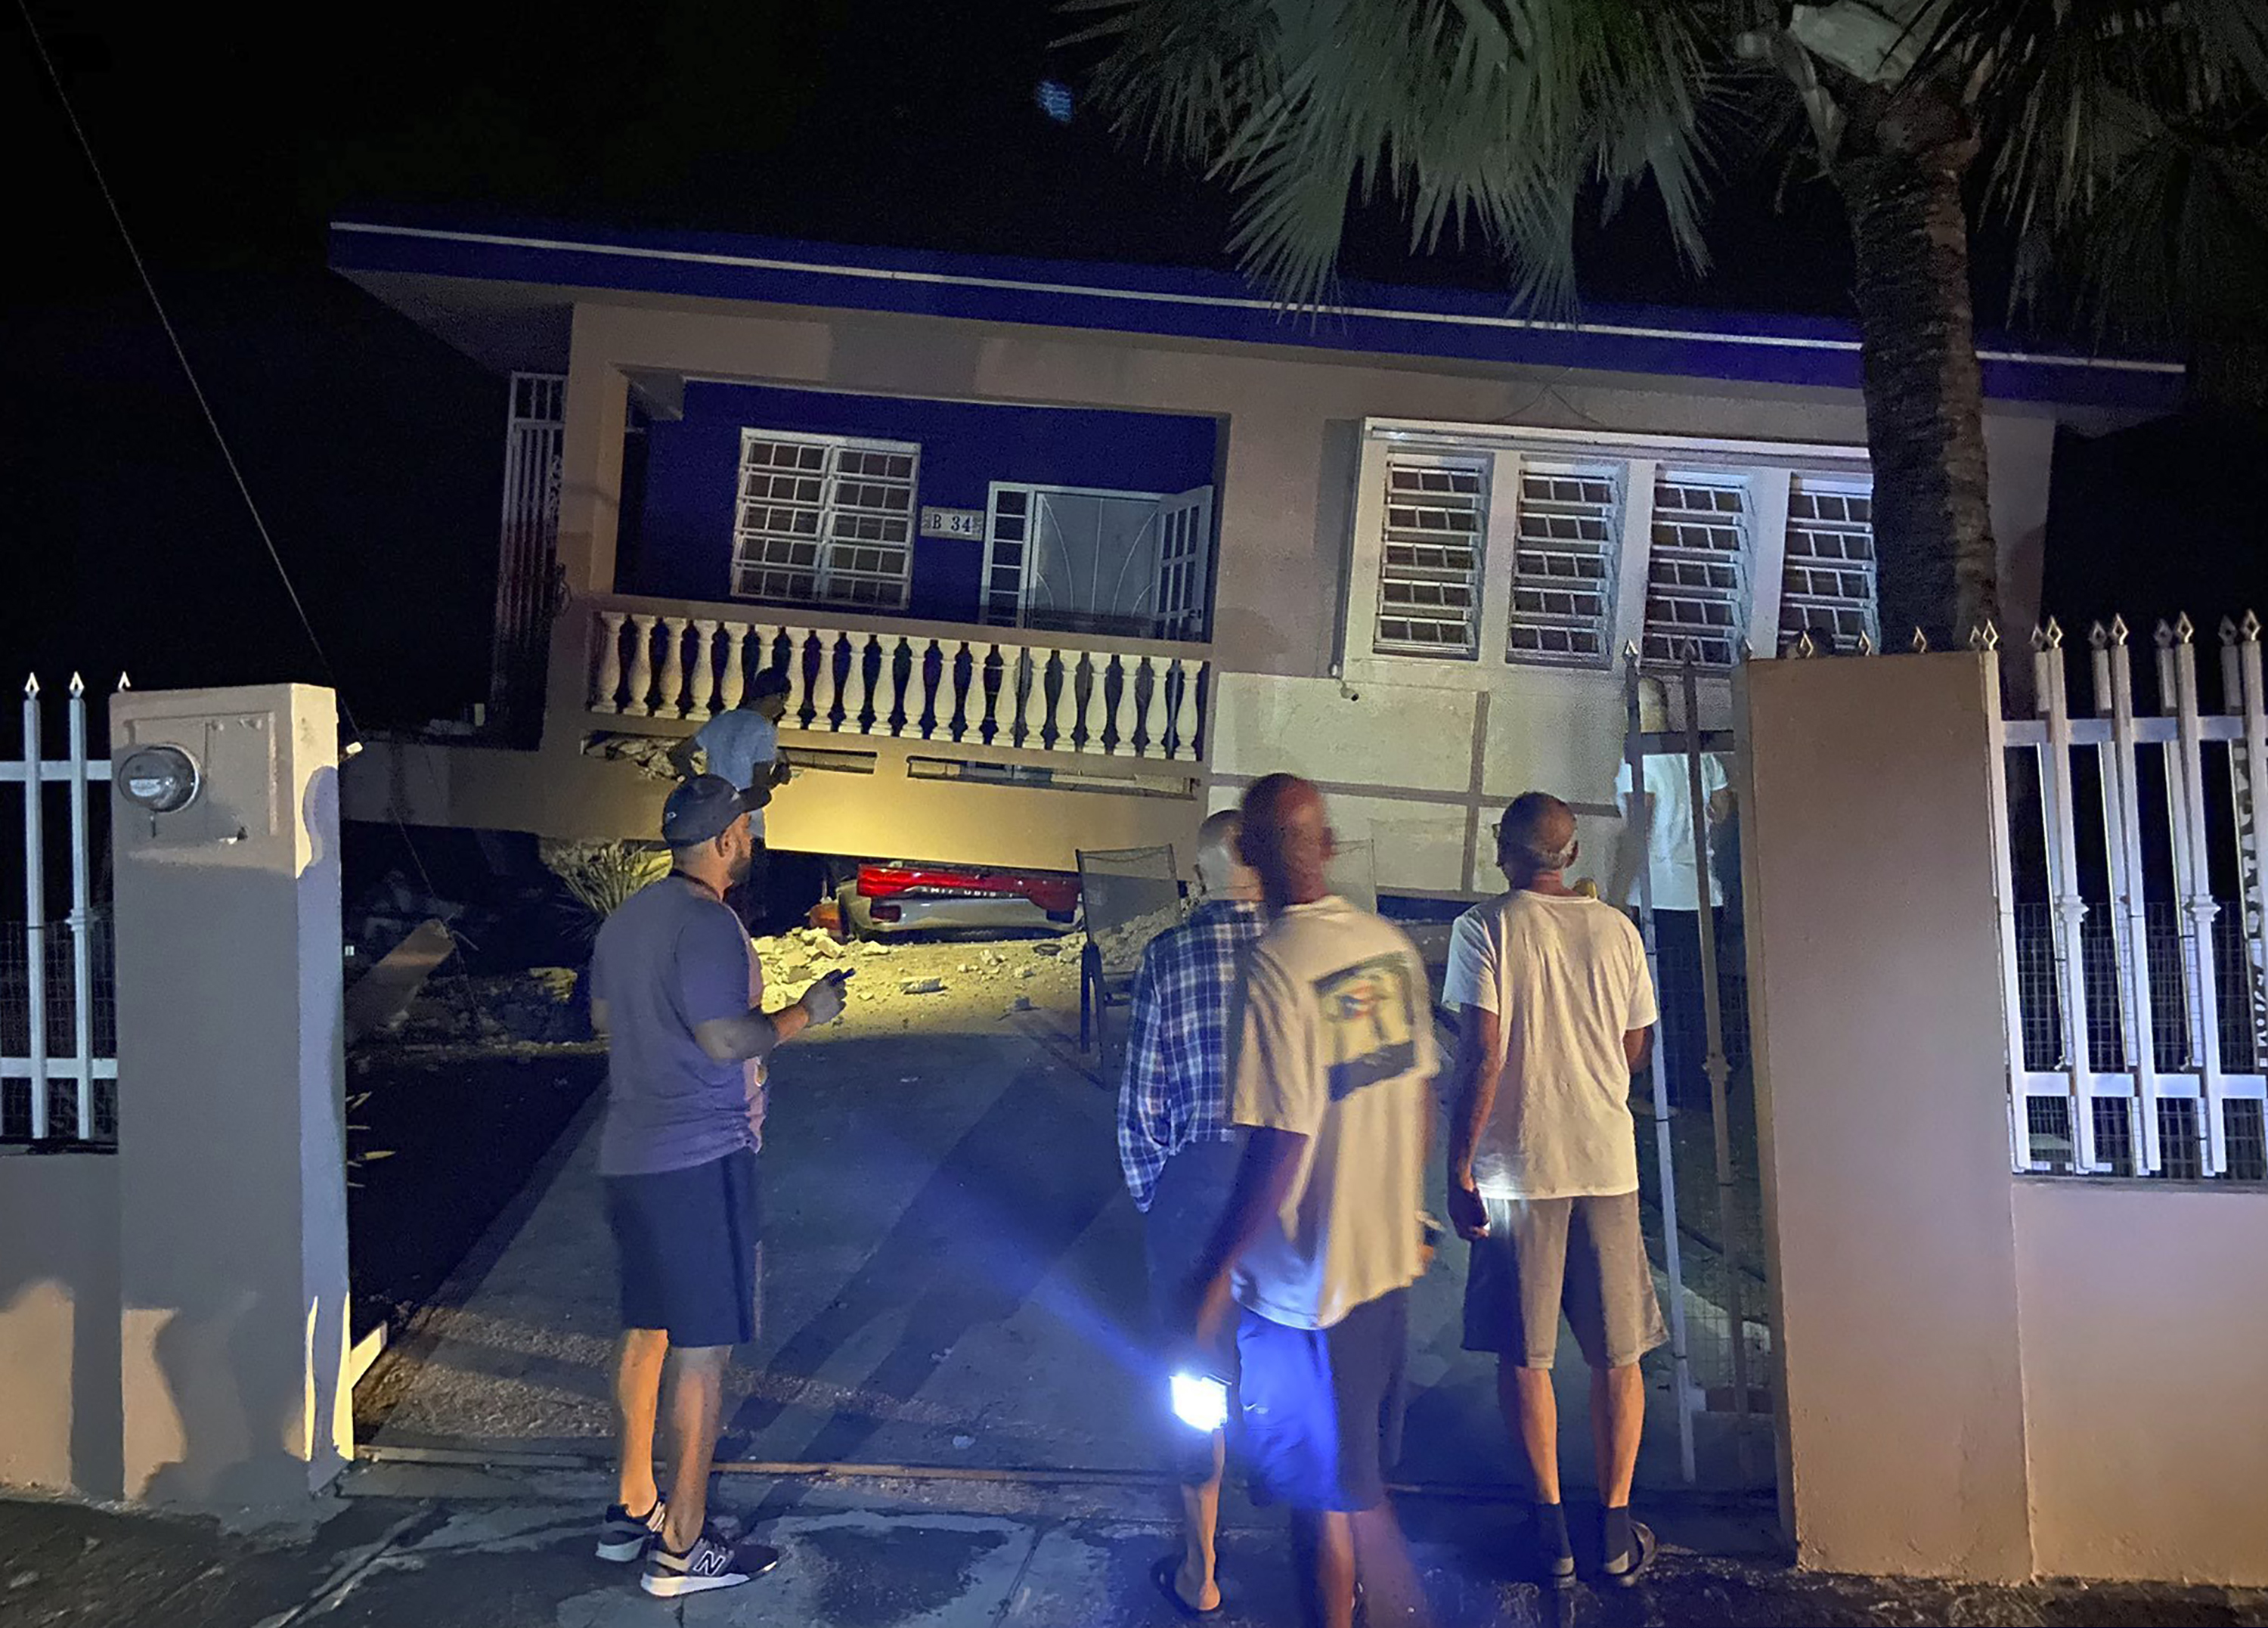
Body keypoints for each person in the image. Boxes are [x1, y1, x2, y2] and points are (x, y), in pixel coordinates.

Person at [1185, 774, 1437, 1628]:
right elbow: (1419, 1095)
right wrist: (1411, 1217)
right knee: (1357, 1488)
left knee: (1332, 1507)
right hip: (1383, 1273)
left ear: (1247, 857)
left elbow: (1281, 1138)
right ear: (1326, 845)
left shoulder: (1275, 965)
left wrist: (1216, 1274)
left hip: (1302, 1296)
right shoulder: (1389, 946)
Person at [587, 774, 847, 1599]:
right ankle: (683, 1546)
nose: (752, 840)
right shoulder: (707, 924)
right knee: (703, 1352)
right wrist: (809, 1011)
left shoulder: (627, 921)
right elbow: (727, 1036)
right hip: (700, 1159)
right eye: (748, 828)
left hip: (629, 1153)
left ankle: (632, 1506)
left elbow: (602, 1019)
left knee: (647, 1328)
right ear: (729, 837)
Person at [1445, 792, 1667, 1589]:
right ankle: (1612, 1526)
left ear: (1502, 851)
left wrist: (1458, 1165)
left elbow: (1481, 1053)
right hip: (1607, 1161)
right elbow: (1635, 1046)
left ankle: (1550, 1532)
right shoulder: (1619, 932)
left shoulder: (1485, 929)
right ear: (1571, 855)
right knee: (1619, 1353)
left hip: (1520, 1166)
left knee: (1525, 1353)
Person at [1118, 809, 1265, 1617]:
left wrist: (1157, 1197)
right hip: (1284, 1184)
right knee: (1283, 1365)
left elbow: (1140, 1105)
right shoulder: (1297, 950)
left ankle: (1201, 1567)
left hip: (1193, 1184)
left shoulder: (1167, 956)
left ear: (1201, 870)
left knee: (1194, 1382)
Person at [1607, 676, 1731, 1107]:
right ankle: (1701, 1089)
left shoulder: (1638, 756)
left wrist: (1616, 895)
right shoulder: (1698, 750)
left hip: (1657, 896)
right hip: (1704, 893)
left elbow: (1637, 830)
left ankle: (1667, 1095)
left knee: (1655, 1003)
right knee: (1699, 998)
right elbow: (1722, 809)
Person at [669, 669, 795, 934]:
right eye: (783, 701)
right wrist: (779, 779)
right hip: (746, 826)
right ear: (775, 696)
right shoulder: (764, 730)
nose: (782, 708)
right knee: (744, 899)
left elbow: (679, 754)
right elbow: (759, 790)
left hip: (712, 821)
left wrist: (700, 786)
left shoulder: (723, 721)